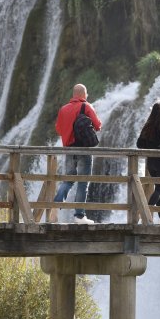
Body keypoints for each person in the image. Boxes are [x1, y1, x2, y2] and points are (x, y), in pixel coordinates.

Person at [54, 84, 102, 224]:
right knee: (83, 182)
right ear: (83, 94)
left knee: (69, 179)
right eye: (86, 94)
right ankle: (79, 216)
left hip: (68, 149)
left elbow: (58, 128)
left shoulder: (63, 109)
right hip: (83, 149)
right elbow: (98, 125)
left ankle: (57, 200)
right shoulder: (86, 106)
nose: (87, 96)